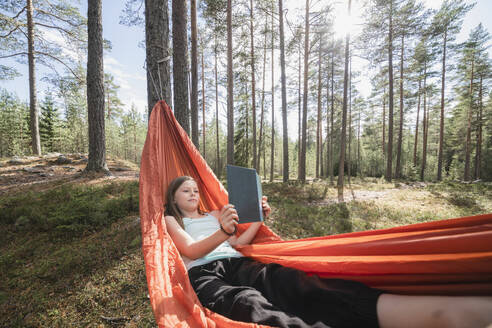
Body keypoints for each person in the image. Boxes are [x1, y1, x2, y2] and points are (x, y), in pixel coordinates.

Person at [163, 176, 492, 328]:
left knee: (296, 283)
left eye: (195, 189)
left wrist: (256, 220)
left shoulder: (211, 215)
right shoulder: (170, 219)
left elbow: (235, 244)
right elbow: (190, 249)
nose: (193, 194)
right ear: (173, 198)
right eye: (185, 191)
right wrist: (222, 230)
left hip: (237, 261)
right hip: (204, 274)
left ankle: (392, 311)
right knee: (248, 302)